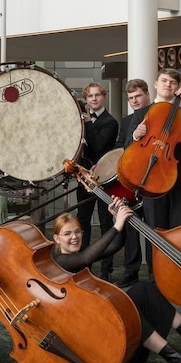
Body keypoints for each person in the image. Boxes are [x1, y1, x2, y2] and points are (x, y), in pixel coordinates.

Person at [52, 202, 181, 363]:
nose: (74, 237)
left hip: (102, 318)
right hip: (95, 332)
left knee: (145, 289)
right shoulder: (60, 262)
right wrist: (116, 226)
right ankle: (175, 358)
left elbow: (116, 245)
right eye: (67, 234)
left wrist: (117, 218)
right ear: (57, 238)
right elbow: (85, 258)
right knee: (127, 310)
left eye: (77, 232)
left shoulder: (80, 256)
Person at [127, 70, 181, 281]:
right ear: (156, 84)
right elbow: (127, 146)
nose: (168, 85)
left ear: (177, 87)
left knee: (179, 232)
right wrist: (135, 135)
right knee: (155, 230)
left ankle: (178, 276)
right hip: (152, 180)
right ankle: (155, 276)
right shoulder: (143, 112)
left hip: (178, 177)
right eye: (164, 81)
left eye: (173, 82)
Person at [111, 78, 151, 286]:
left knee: (154, 229)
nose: (134, 101)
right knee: (130, 226)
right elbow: (121, 147)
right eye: (131, 98)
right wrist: (133, 136)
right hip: (132, 181)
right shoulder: (126, 122)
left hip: (154, 180)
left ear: (147, 95)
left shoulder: (158, 114)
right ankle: (131, 272)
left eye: (138, 96)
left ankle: (155, 275)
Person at [75, 82, 119, 257]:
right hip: (84, 177)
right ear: (86, 99)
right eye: (90, 96)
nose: (94, 98)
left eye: (97, 95)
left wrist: (89, 124)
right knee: (82, 220)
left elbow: (99, 144)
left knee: (105, 222)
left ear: (104, 97)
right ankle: (82, 261)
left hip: (104, 179)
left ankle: (106, 269)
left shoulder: (110, 122)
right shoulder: (82, 121)